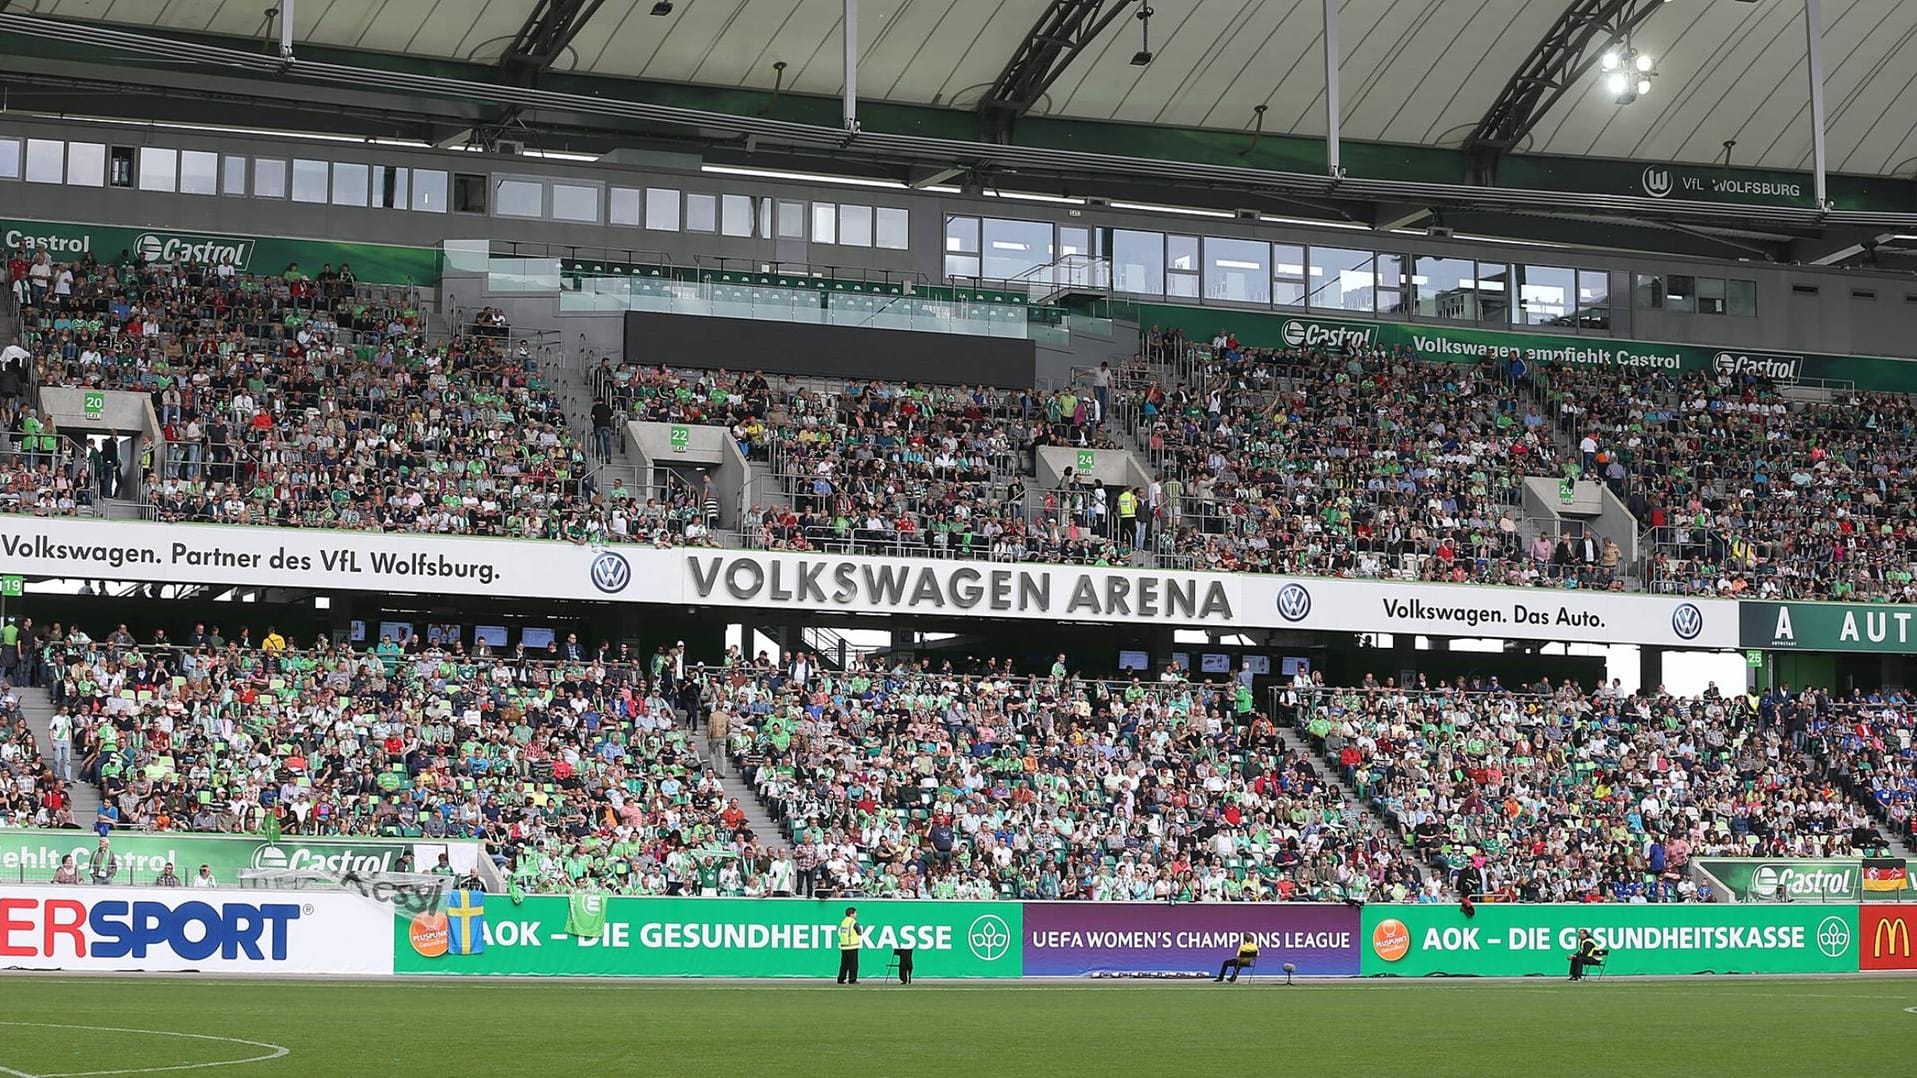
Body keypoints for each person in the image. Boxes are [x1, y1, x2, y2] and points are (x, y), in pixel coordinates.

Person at [836, 906, 862, 985]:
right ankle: (852, 979)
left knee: (844, 964)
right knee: (853, 965)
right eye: (855, 913)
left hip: (844, 946)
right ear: (851, 914)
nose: (856, 915)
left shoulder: (843, 921)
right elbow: (859, 932)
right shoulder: (853, 922)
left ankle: (841, 979)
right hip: (852, 946)